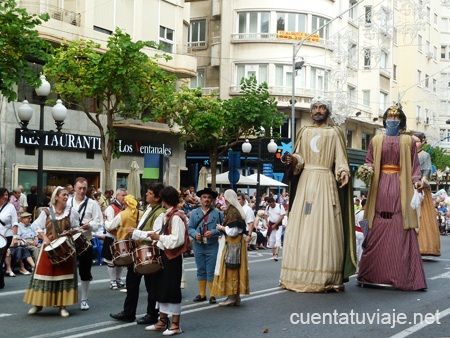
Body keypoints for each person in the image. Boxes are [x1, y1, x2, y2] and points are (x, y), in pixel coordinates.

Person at [280, 96, 356, 293]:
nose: (318, 111)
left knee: (325, 225)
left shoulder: (334, 133)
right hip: (305, 182)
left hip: (325, 181)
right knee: (302, 224)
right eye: (315, 108)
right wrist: (291, 160)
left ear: (328, 112)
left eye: (322, 108)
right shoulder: (303, 132)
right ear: (311, 111)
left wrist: (343, 172)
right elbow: (300, 159)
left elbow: (340, 159)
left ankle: (326, 275)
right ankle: (297, 274)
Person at [357, 105, 427, 291]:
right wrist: (367, 171)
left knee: (401, 223)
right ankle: (371, 274)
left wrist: (416, 182)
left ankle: (402, 275)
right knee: (376, 222)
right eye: (389, 116)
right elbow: (370, 161)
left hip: (400, 186)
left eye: (396, 117)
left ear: (401, 121)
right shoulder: (376, 140)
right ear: (384, 119)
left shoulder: (408, 141)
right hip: (379, 187)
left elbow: (414, 166)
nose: (392, 120)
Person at [110, 182, 166, 325]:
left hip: (149, 252)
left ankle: (152, 314)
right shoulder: (148, 208)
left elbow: (155, 234)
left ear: (158, 197)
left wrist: (136, 232)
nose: (146, 194)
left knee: (150, 285)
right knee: (131, 283)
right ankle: (129, 312)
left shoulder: (160, 213)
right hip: (138, 251)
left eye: (150, 193)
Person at [23, 186, 80, 317]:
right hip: (48, 247)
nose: (66, 197)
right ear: (56, 197)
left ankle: (62, 306)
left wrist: (70, 232)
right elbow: (36, 226)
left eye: (67, 195)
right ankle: (38, 304)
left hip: (65, 247)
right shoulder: (47, 212)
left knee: (63, 277)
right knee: (44, 276)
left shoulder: (72, 212)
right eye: (63, 195)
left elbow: (76, 227)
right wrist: (44, 237)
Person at [145, 186, 189, 335]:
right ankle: (162, 321)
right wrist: (156, 241)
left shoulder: (176, 217)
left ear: (164, 199)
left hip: (173, 258)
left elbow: (177, 240)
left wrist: (159, 238)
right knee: (161, 288)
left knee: (172, 290)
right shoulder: (168, 215)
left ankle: (175, 325)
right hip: (165, 255)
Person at [68, 177, 103, 310]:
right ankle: (66, 298)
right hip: (70, 240)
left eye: (84, 188)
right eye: (80, 188)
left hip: (85, 240)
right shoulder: (68, 201)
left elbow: (99, 222)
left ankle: (84, 298)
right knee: (67, 270)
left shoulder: (93, 204)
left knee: (85, 270)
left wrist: (90, 225)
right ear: (74, 188)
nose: (82, 191)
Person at [213, 189, 249, 306]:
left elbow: (233, 231)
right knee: (235, 269)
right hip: (237, 243)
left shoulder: (232, 211)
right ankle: (235, 296)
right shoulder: (237, 209)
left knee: (230, 268)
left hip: (232, 243)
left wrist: (221, 228)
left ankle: (231, 297)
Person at [188, 187, 222, 304]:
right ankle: (202, 294)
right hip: (198, 245)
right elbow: (190, 228)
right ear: (200, 199)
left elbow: (222, 229)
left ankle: (212, 294)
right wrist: (194, 234)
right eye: (204, 197)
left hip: (212, 245)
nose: (206, 199)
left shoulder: (218, 213)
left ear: (212, 200)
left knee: (211, 270)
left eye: (209, 198)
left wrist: (213, 232)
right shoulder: (194, 213)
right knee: (201, 269)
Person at [413, 133, 441, 257]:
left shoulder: (425, 155)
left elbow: (426, 172)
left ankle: (421, 246)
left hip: (420, 188)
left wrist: (421, 182)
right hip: (405, 187)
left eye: (417, 141)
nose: (414, 144)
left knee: (421, 218)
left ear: (423, 142)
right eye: (411, 141)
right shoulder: (405, 154)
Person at [103, 188, 127, 290]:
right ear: (117, 196)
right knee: (111, 260)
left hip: (121, 237)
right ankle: (112, 280)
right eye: (122, 195)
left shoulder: (125, 208)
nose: (124, 197)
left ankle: (118, 279)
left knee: (120, 259)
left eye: (125, 195)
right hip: (112, 237)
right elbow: (109, 224)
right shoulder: (111, 208)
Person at [0, 188, 19, 286]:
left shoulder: (10, 207)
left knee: (1, 256)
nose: (5, 197)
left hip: (6, 235)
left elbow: (15, 222)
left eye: (7, 195)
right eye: (3, 195)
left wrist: (15, 237)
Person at [265, 197, 286, 261]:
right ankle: (273, 254)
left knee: (278, 238)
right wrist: (267, 222)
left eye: (271, 204)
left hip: (278, 225)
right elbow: (266, 214)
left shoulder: (280, 206)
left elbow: (282, 216)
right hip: (271, 224)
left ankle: (276, 254)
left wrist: (276, 224)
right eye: (269, 204)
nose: (271, 205)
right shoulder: (268, 207)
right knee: (271, 240)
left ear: (274, 202)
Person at [354, 199, 366, 264]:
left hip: (356, 232)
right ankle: (359, 264)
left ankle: (355, 264)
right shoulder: (364, 213)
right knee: (360, 250)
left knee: (356, 249)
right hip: (361, 232)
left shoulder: (357, 212)